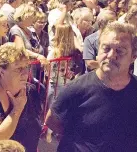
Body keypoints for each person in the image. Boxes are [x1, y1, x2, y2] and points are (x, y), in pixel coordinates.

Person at [45, 22, 137, 152]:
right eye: (106, 48)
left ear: (134, 56)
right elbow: (52, 121)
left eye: (120, 51)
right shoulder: (77, 89)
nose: (111, 55)